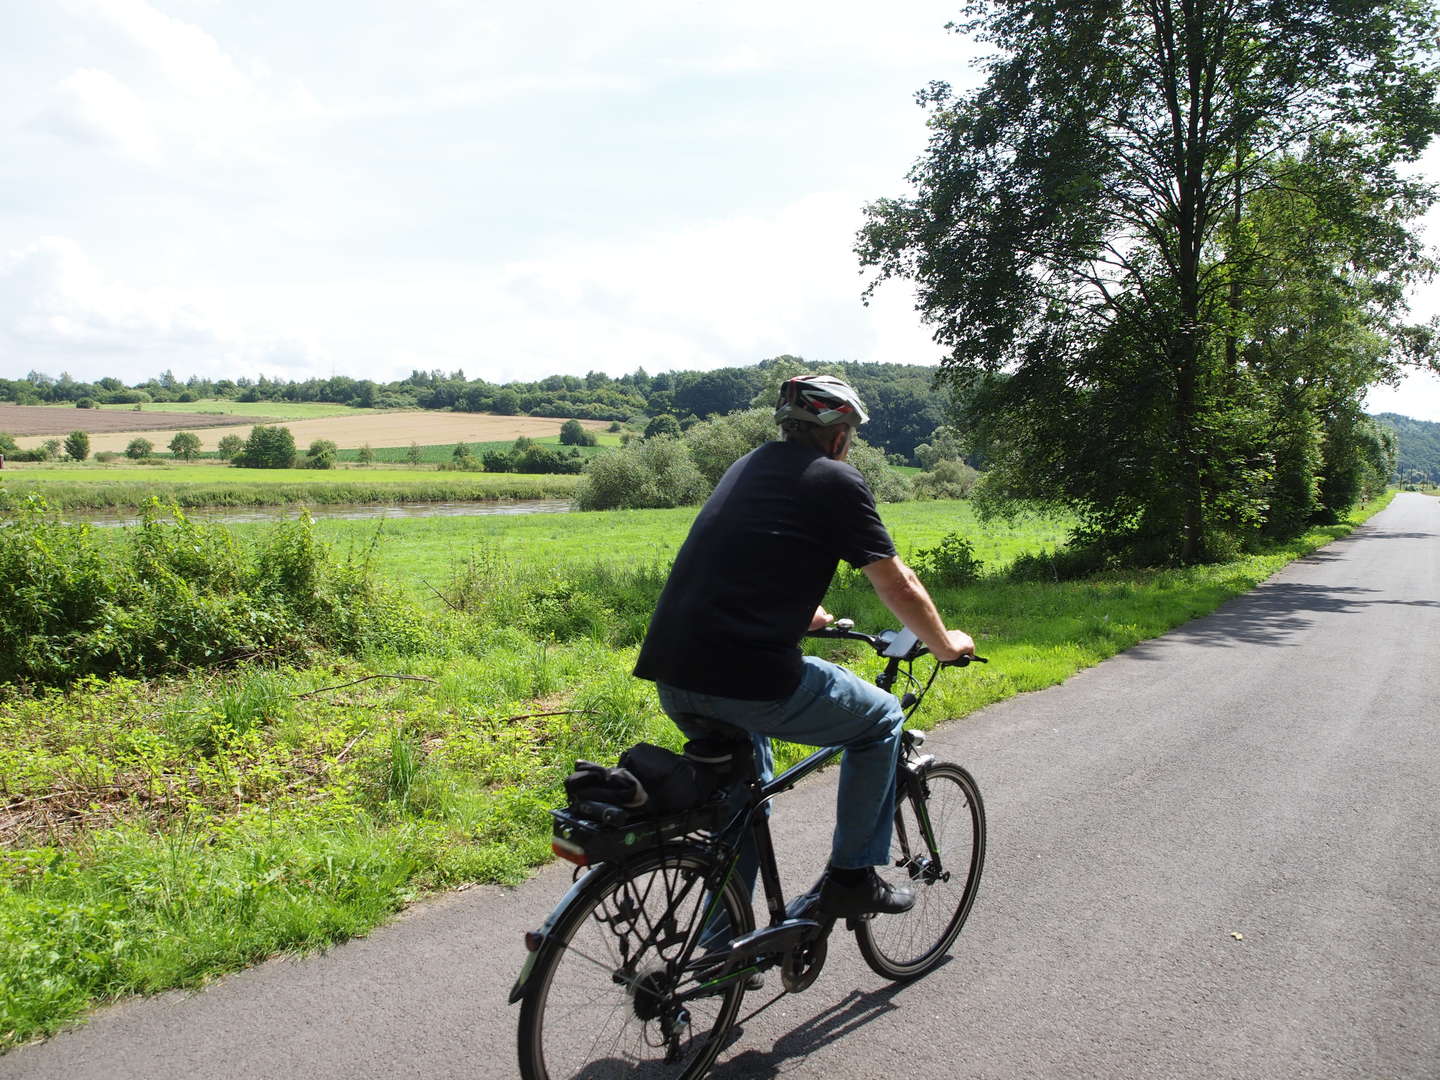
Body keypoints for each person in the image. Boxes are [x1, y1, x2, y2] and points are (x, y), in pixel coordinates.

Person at [633, 374, 975, 918]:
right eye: (852, 432)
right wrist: (944, 643)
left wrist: (799, 614)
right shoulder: (835, 480)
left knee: (741, 801)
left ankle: (724, 953)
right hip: (748, 680)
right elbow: (895, 582)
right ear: (840, 433)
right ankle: (853, 877)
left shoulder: (746, 467)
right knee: (882, 718)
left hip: (674, 673)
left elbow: (747, 555)